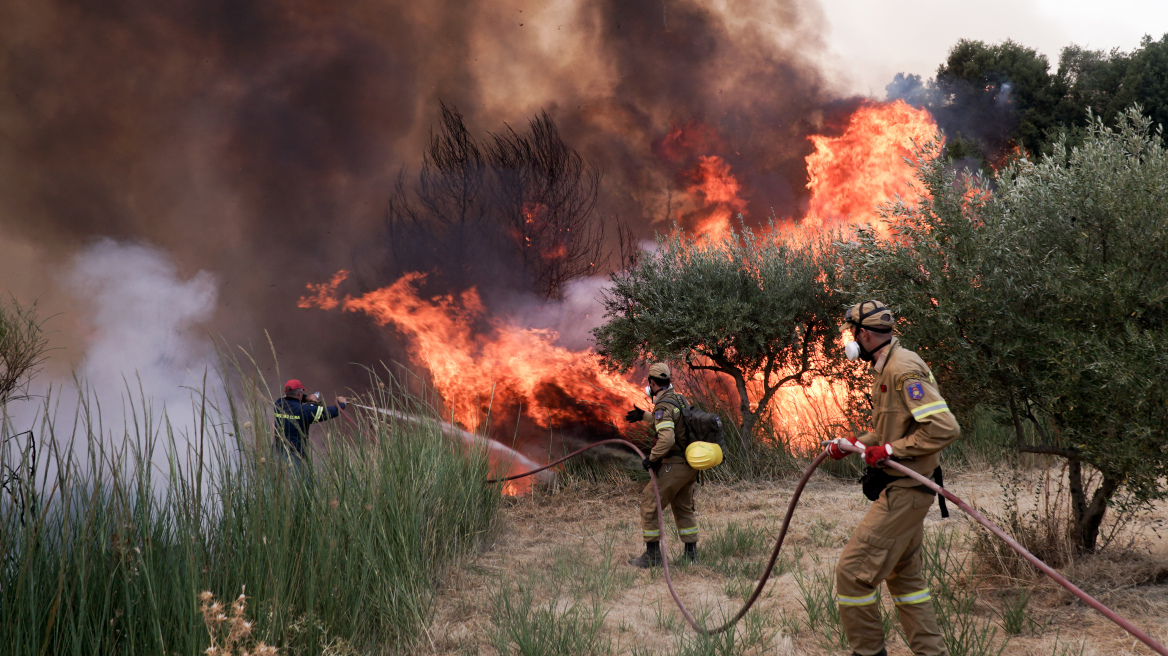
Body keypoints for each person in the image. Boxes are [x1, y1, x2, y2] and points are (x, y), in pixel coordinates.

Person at [824, 300, 961, 656]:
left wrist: (890, 452)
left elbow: (944, 428)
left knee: (853, 574)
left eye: (851, 333)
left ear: (864, 335)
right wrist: (856, 443)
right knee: (905, 579)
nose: (850, 340)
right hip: (905, 487)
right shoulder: (886, 367)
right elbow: (890, 430)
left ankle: (868, 653)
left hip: (907, 489)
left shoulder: (902, 369)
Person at [623, 363, 700, 568]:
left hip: (673, 466)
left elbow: (666, 438)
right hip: (689, 464)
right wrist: (644, 416)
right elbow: (673, 422)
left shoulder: (663, 405)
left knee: (650, 503)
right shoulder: (679, 399)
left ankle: (653, 556)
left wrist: (652, 458)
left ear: (652, 382)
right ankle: (692, 555)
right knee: (683, 507)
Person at [273, 378, 348, 478]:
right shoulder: (305, 410)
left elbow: (287, 397)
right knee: (304, 485)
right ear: (299, 393)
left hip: (276, 454)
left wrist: (306, 398)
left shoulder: (278, 404)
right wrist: (342, 404)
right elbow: (332, 412)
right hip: (295, 457)